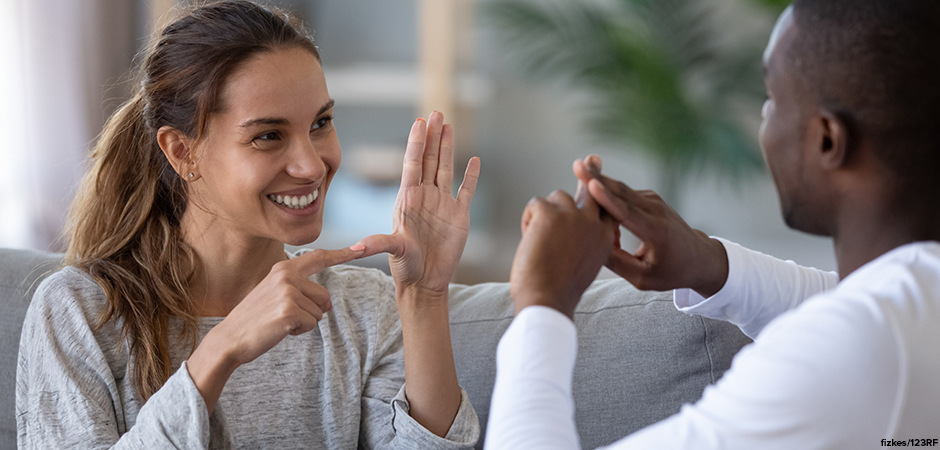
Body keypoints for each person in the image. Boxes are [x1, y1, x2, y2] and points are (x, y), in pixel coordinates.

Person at [15, 1, 481, 448]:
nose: (312, 166)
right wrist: (223, 348)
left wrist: (424, 299)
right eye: (268, 136)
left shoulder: (362, 309)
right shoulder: (80, 311)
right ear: (182, 151)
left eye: (321, 122)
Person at [486, 0, 940, 448]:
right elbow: (851, 301)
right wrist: (709, 264)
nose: (764, 116)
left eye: (773, 98)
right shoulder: (912, 302)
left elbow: (853, 331)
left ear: (827, 139)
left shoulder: (847, 354)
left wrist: (543, 302)